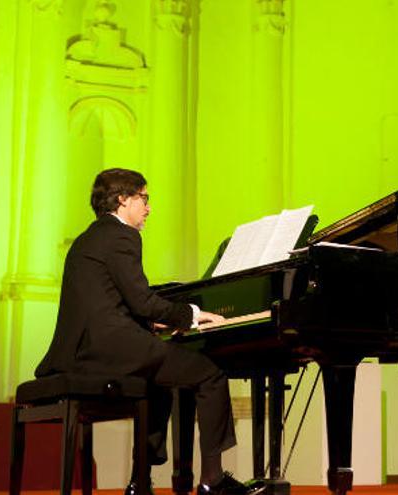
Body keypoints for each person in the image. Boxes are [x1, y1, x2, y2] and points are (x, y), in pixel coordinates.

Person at [36, 168, 255, 495]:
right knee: (209, 375)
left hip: (81, 354)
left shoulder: (88, 238)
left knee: (159, 384)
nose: (149, 208)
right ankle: (213, 479)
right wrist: (190, 315)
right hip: (110, 350)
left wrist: (154, 323)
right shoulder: (124, 236)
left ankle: (140, 480)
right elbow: (141, 300)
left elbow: (108, 301)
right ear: (123, 199)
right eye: (144, 198)